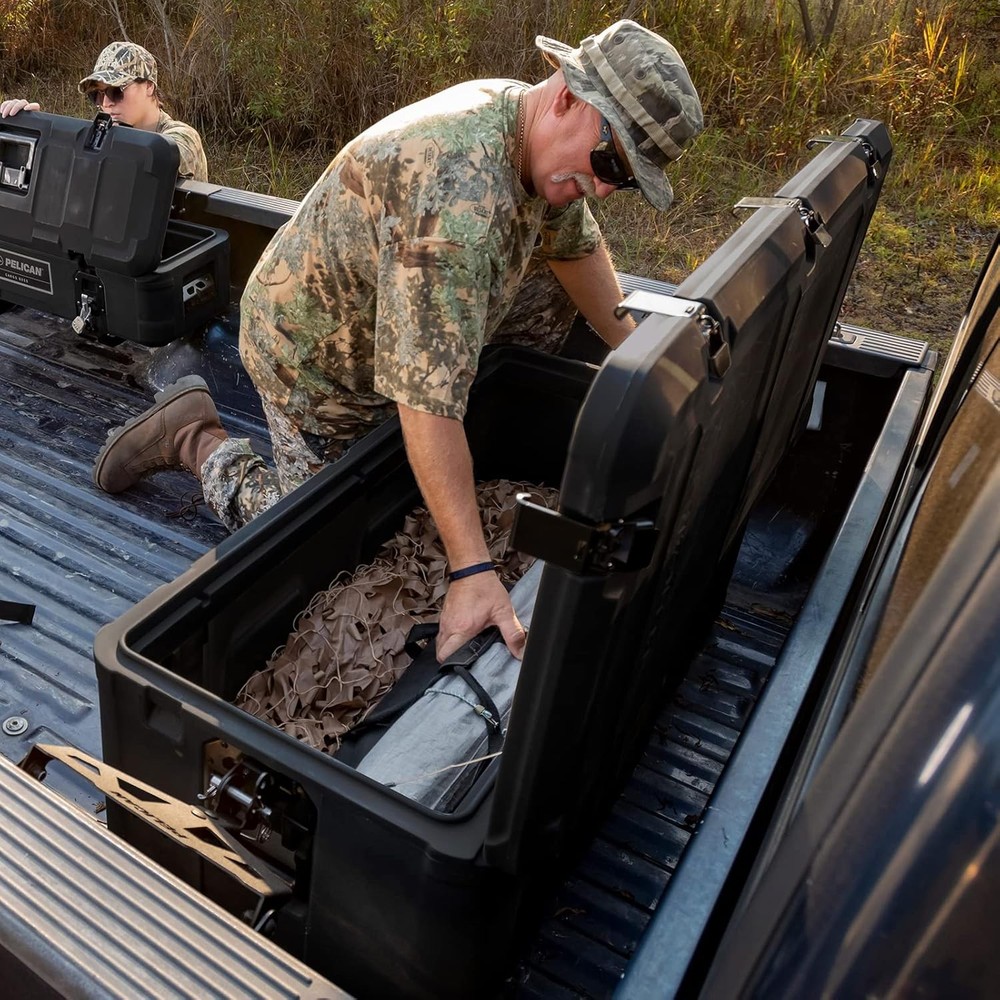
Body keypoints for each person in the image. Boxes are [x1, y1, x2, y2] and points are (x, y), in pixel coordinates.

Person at [92, 19, 703, 662]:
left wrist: (642, 367)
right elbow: (426, 405)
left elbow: (576, 245)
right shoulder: (455, 201)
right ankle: (195, 439)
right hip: (314, 360)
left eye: (624, 179)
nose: (606, 185)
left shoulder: (528, 122)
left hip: (391, 313)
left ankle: (477, 425)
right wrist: (473, 571)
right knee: (317, 550)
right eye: (609, 162)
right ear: (569, 98)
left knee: (549, 278)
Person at [0, 41, 208, 182]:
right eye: (97, 95)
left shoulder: (182, 136)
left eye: (116, 91)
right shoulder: (105, 135)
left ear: (149, 87)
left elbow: (155, 157)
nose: (106, 103)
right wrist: (35, 128)